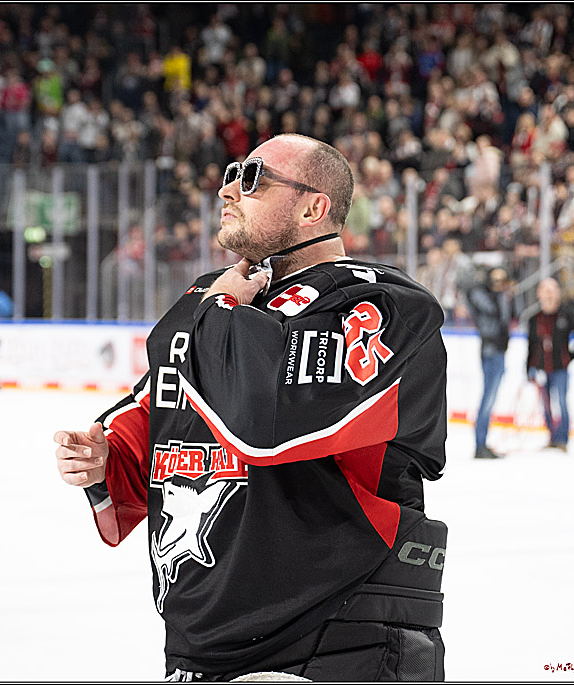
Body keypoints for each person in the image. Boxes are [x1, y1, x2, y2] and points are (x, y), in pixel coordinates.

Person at [54, 134, 448, 681]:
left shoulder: (379, 304)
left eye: (253, 177)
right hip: (203, 643)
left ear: (315, 207)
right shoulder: (223, 302)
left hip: (335, 633)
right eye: (232, 172)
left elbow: (265, 420)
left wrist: (213, 304)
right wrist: (106, 459)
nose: (228, 188)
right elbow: (163, 408)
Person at [527, 278, 574, 452]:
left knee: (561, 402)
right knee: (545, 404)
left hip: (560, 368)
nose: (549, 294)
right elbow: (530, 346)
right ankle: (552, 437)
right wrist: (528, 369)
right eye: (545, 290)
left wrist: (569, 356)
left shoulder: (566, 314)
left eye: (552, 290)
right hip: (540, 369)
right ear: (539, 293)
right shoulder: (534, 318)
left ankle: (563, 439)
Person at [466, 266, 515, 459]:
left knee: (490, 398)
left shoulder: (501, 297)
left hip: (500, 351)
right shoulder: (483, 297)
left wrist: (510, 295)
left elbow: (512, 315)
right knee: (488, 398)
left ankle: (482, 442)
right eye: (495, 280)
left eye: (502, 280)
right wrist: (503, 296)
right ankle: (480, 443)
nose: (499, 285)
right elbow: (493, 314)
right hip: (491, 351)